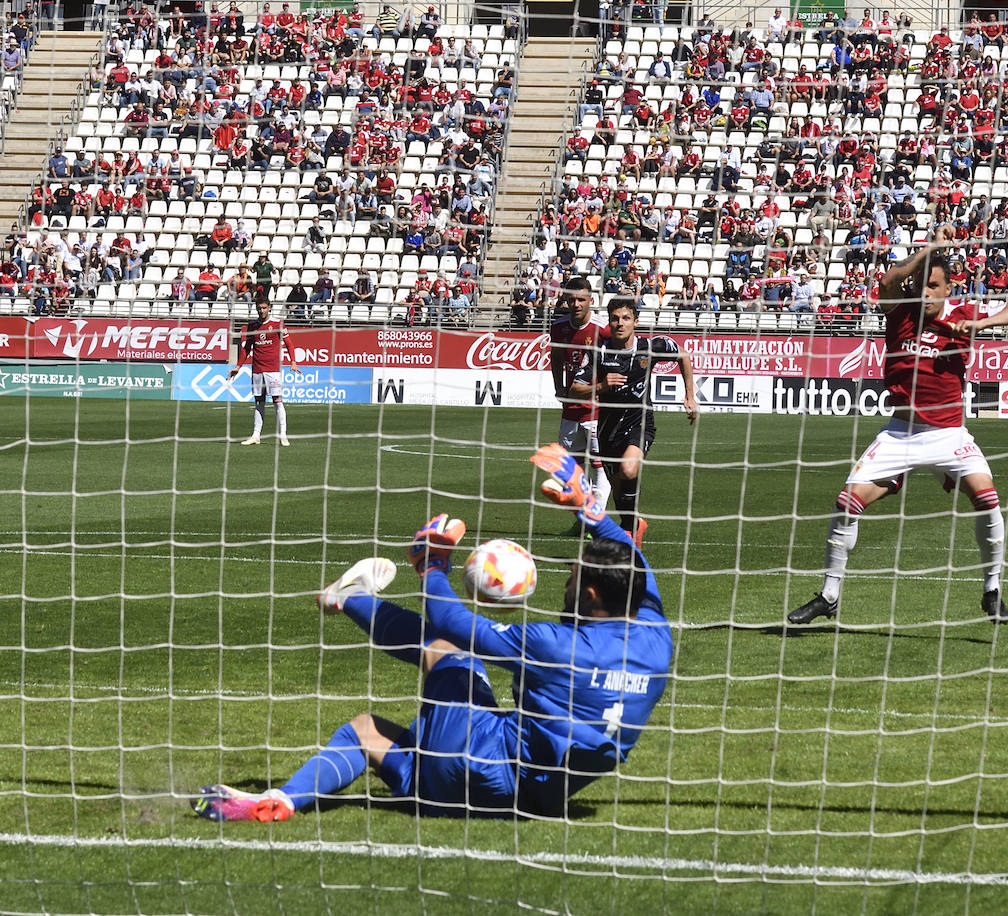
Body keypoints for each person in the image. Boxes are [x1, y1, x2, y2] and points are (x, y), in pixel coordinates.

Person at [191, 451, 672, 822]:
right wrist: (592, 512)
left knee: (450, 651)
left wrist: (432, 564)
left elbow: (453, 623)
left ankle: (348, 599)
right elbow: (635, 562)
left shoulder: (557, 646)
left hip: (471, 759)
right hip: (527, 799)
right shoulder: (656, 638)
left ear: (589, 592)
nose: (565, 578)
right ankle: (282, 800)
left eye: (571, 574)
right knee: (366, 731)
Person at [786, 226, 1008, 626]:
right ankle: (829, 596)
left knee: (988, 501)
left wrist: (983, 325)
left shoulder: (964, 317)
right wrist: (932, 249)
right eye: (920, 285)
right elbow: (886, 280)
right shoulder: (900, 313)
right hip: (899, 434)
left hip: (949, 434)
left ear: (949, 288)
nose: (924, 293)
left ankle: (991, 591)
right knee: (846, 503)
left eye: (933, 286)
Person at [570, 296, 699, 546]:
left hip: (640, 422)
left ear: (635, 322)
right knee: (619, 490)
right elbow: (574, 389)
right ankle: (633, 526)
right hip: (607, 429)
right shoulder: (599, 352)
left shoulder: (650, 347)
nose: (620, 323)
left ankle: (628, 533)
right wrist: (601, 386)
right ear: (609, 322)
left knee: (629, 469)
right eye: (615, 318)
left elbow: (683, 354)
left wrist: (690, 396)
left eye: (626, 318)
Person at [548, 276, 613, 510]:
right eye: (571, 300)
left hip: (596, 408)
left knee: (599, 465)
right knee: (572, 470)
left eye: (581, 300)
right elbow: (555, 357)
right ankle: (583, 517)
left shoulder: (602, 329)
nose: (576, 304)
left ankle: (597, 517)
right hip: (570, 407)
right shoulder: (558, 327)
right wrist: (558, 386)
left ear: (590, 300)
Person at [228, 296, 302, 447]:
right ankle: (256, 435)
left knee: (277, 402)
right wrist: (238, 366)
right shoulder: (252, 325)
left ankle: (283, 435)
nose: (261, 311)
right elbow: (246, 349)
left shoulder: (277, 324)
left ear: (269, 308)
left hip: (273, 370)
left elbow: (289, 344)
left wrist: (293, 362)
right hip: (257, 370)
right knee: (259, 402)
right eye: (259, 308)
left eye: (264, 308)